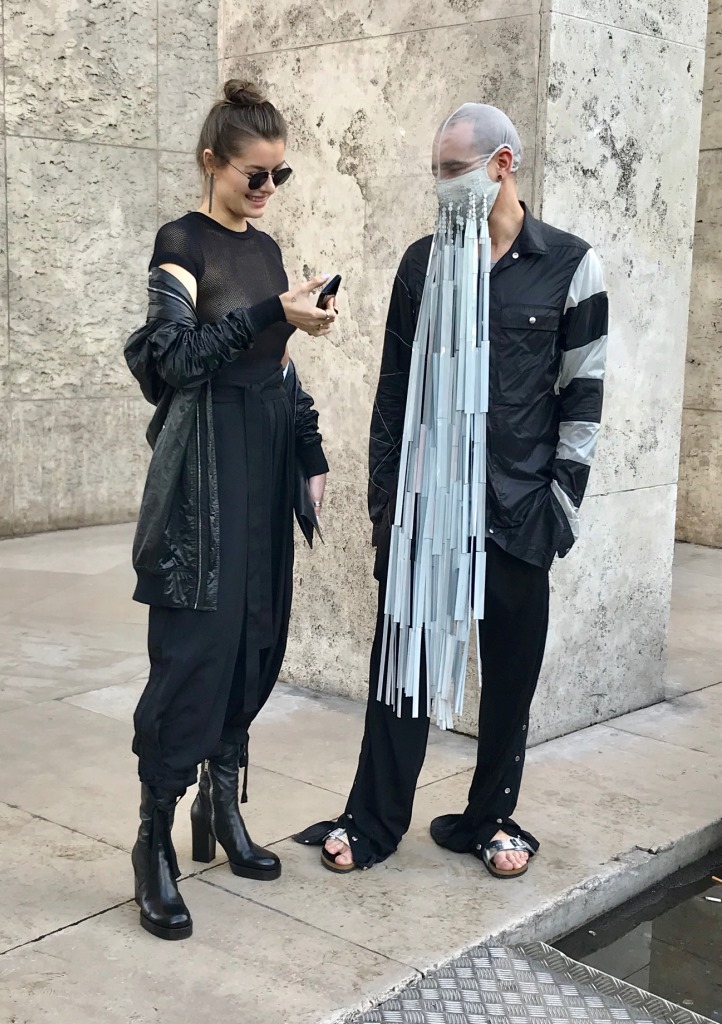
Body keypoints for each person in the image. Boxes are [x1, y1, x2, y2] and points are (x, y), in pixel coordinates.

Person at [295, 102, 608, 879]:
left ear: (502, 165)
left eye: (454, 171)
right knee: (400, 661)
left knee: (510, 676)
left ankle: (489, 818)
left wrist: (559, 507)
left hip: (519, 507)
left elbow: (584, 396)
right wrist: (386, 504)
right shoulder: (422, 264)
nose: (442, 186)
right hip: (428, 510)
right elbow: (393, 390)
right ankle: (372, 820)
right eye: (436, 171)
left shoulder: (570, 265)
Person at [124, 79, 336, 940]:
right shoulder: (180, 244)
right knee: (193, 654)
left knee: (255, 636)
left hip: (264, 460)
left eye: (281, 175)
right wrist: (267, 313)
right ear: (212, 161)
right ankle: (154, 839)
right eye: (256, 174)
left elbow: (279, 367)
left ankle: (223, 804)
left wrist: (310, 452)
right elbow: (173, 360)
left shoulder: (270, 250)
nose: (268, 189)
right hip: (204, 476)